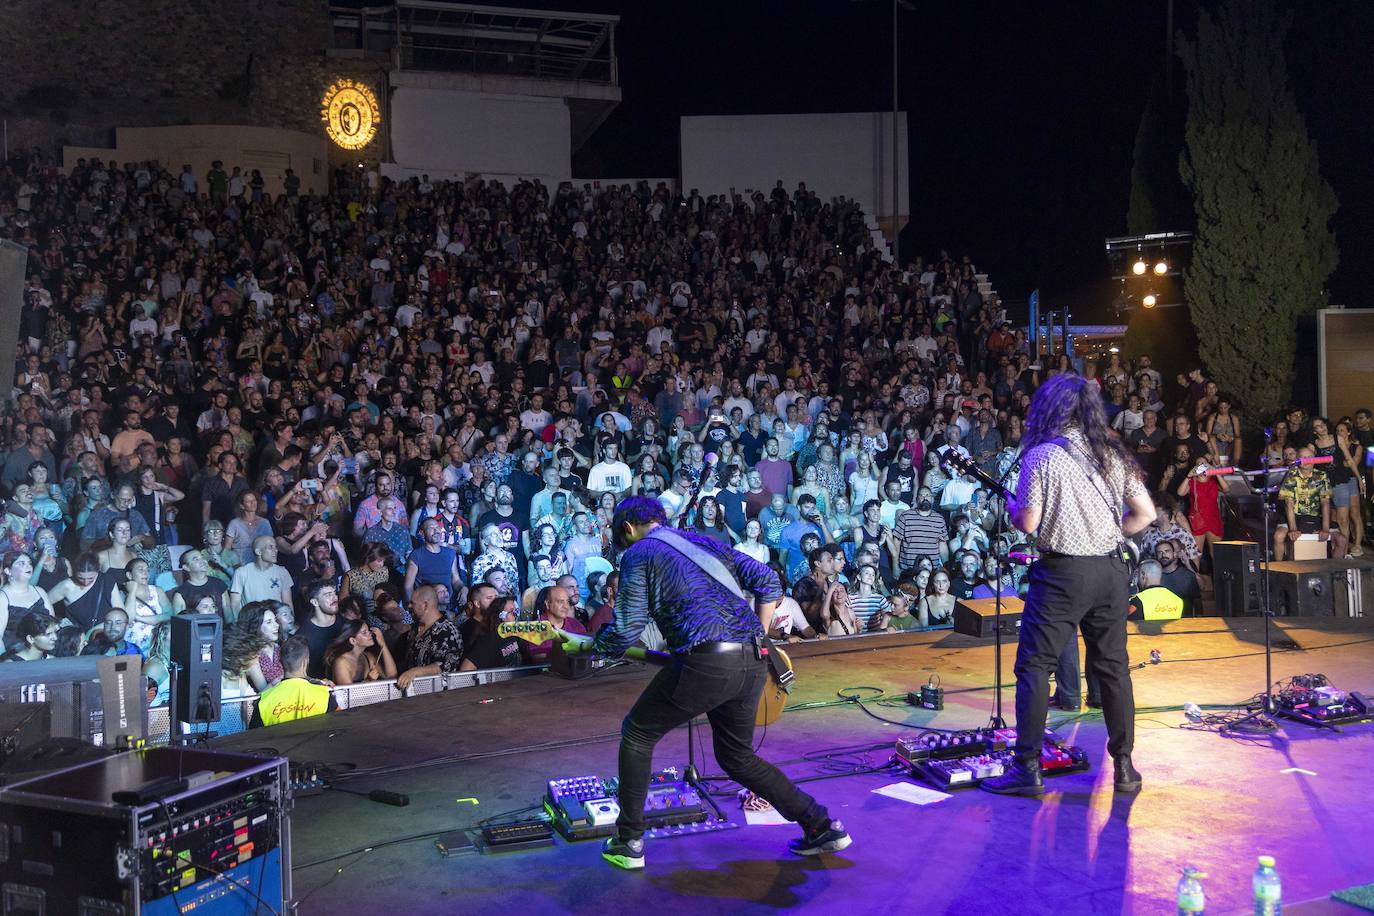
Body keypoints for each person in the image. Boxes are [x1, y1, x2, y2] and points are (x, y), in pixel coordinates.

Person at [569, 497, 850, 870]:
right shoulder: (704, 541)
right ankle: (821, 825)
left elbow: (627, 628)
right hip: (753, 658)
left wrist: (592, 647)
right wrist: (753, 636)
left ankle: (628, 841)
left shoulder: (640, 553)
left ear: (627, 529)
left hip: (707, 658)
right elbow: (768, 581)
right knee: (737, 757)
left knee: (637, 734)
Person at [982, 374, 1154, 798]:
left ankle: (1026, 768)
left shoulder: (1041, 455)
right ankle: (1126, 768)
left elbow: (1029, 523)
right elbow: (1146, 514)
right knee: (1113, 667)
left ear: (1050, 409)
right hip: (1111, 572)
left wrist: (1010, 505)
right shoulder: (1112, 453)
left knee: (1036, 666)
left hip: (1063, 575)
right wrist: (1110, 533)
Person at [249, 636, 337, 728]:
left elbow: (254, 738)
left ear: (281, 662)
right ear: (305, 662)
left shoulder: (263, 702)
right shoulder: (324, 695)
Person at [395, 585, 465, 690]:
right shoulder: (415, 629)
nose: (409, 606)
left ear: (425, 606)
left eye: (412, 603)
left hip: (436, 695)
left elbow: (445, 666)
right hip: (412, 692)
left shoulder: (447, 632)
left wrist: (415, 672)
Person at [459, 594, 522, 671]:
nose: (516, 614)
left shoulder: (514, 633)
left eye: (516, 610)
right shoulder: (489, 640)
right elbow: (465, 668)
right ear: (500, 616)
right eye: (511, 611)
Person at [325, 618, 397, 685]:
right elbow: (347, 695)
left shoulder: (369, 657)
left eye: (368, 630)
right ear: (353, 640)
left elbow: (392, 676)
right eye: (364, 632)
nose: (370, 633)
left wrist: (383, 644)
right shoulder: (341, 662)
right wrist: (369, 680)